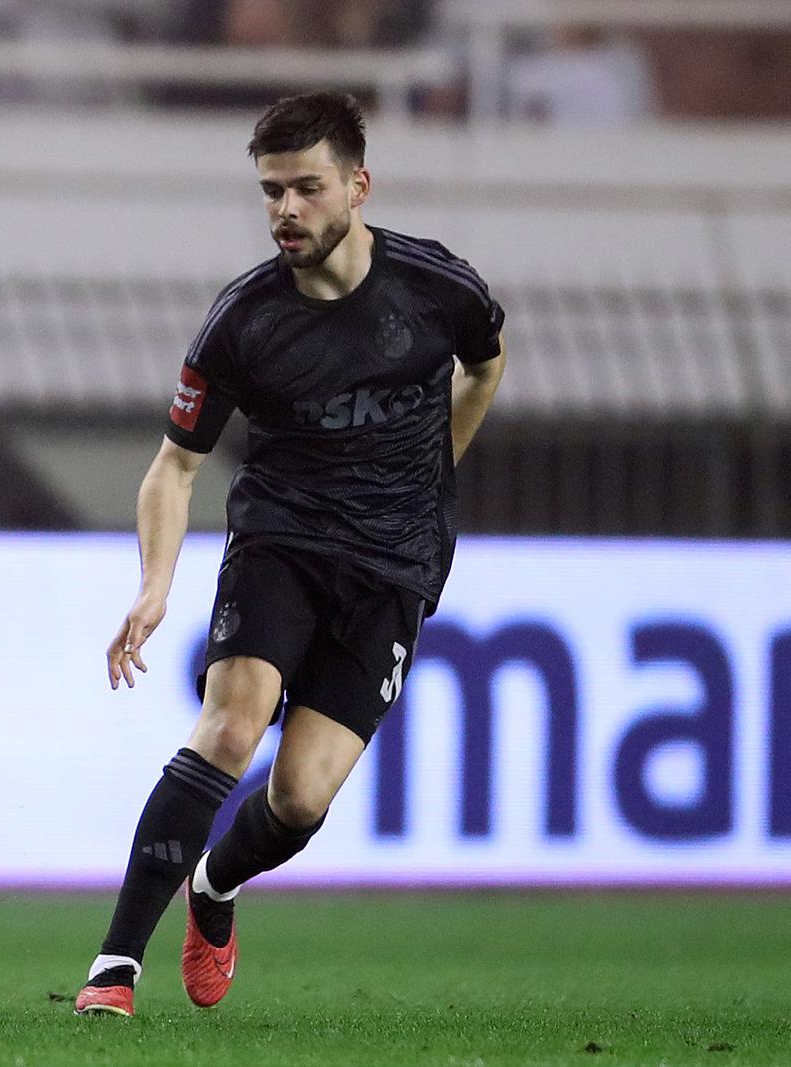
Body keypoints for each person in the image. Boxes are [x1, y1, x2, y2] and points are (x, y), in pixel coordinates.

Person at [73, 90, 506, 1018]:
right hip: (282, 539)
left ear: (358, 184)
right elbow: (172, 467)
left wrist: (435, 471)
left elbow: (487, 362)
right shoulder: (244, 322)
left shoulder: (439, 288)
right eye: (272, 191)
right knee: (232, 724)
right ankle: (114, 965)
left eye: (306, 188)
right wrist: (154, 587)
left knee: (302, 798)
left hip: (394, 562)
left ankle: (217, 888)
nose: (285, 210)